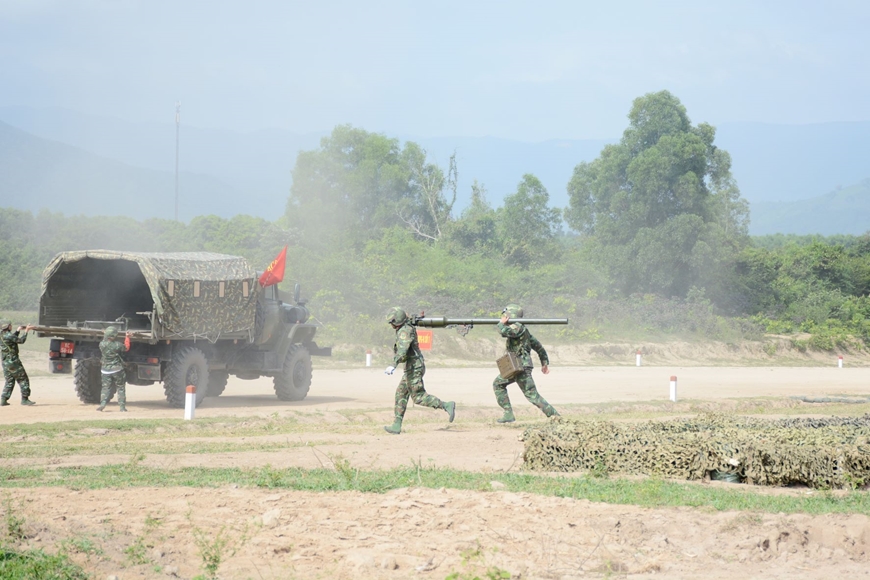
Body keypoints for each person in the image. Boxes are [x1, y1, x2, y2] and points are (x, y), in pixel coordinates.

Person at [383, 307, 455, 434]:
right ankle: (397, 425)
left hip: (414, 368)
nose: (391, 325)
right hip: (412, 367)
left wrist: (393, 364)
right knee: (401, 393)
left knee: (418, 397)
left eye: (392, 322)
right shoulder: (405, 327)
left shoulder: (404, 331)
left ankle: (446, 405)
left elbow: (403, 350)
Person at [492, 304, 558, 423]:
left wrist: (501, 323)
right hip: (516, 365)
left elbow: (504, 332)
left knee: (532, 395)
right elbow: (539, 347)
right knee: (499, 384)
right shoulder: (524, 330)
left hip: (520, 366)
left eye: (506, 315)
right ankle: (508, 414)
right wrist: (544, 362)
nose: (504, 317)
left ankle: (556, 417)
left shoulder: (518, 327)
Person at [1, 320, 36, 406]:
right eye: (10, 325)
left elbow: (12, 339)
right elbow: (21, 341)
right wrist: (26, 331)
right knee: (23, 379)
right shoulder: (8, 335)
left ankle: (3, 399)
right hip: (13, 361)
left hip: (5, 361)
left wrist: (18, 330)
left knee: (9, 380)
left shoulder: (2, 334)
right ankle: (25, 399)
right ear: (8, 326)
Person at [97, 326, 131, 412]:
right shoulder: (118, 345)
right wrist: (127, 337)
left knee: (105, 388)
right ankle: (122, 408)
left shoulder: (101, 344)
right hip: (117, 369)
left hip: (105, 370)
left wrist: (105, 333)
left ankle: (102, 404)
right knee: (120, 387)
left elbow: (105, 340)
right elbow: (126, 347)